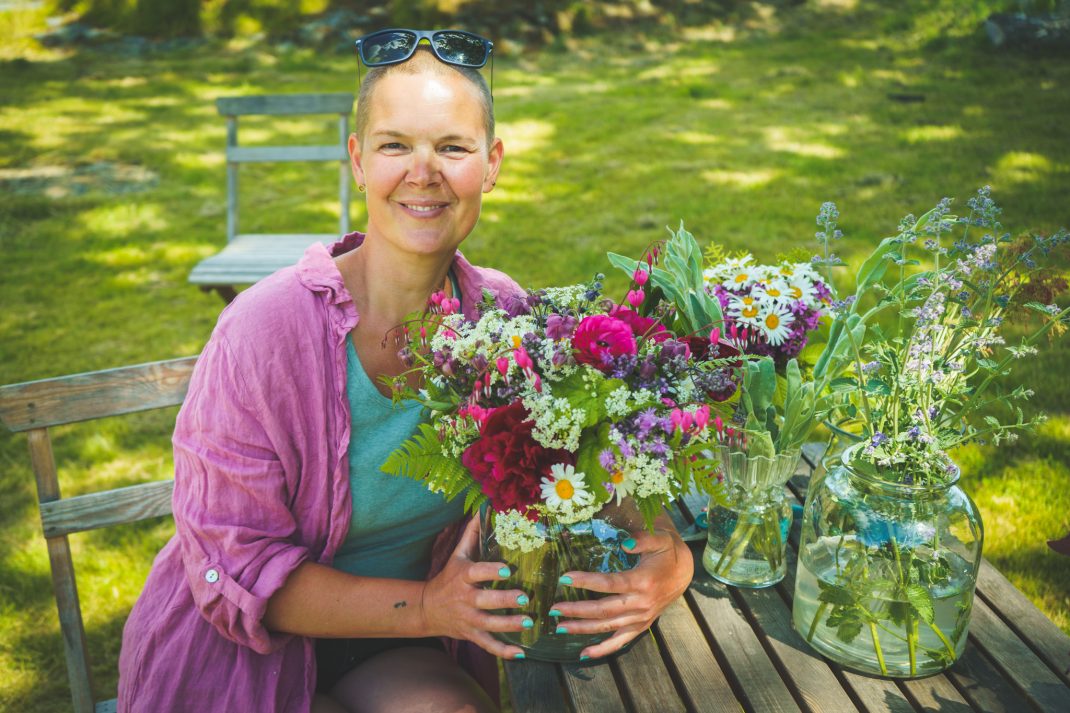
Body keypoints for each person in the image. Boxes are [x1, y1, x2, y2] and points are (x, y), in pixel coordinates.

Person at [118, 31, 693, 713]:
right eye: (395, 146)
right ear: (358, 161)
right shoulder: (261, 333)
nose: (424, 172)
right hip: (242, 646)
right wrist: (429, 605)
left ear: (492, 162)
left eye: (452, 147)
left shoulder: (507, 316)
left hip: (396, 643)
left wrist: (672, 565)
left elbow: (587, 470)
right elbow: (238, 568)